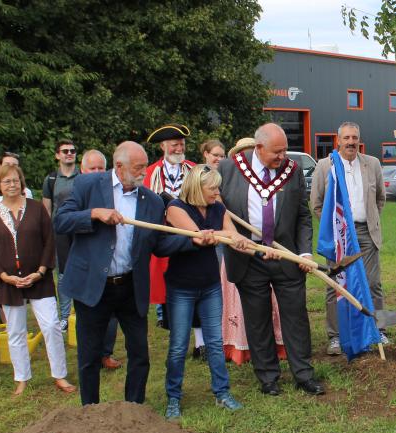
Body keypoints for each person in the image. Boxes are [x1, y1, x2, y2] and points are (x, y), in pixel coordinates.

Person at [53, 141, 204, 405]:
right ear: (119, 166)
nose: (144, 172)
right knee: (89, 356)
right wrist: (95, 214)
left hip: (131, 286)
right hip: (94, 285)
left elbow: (159, 245)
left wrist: (192, 240)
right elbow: (61, 221)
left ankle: (134, 410)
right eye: (138, 167)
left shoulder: (152, 201)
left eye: (145, 166)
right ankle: (90, 412)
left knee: (139, 354)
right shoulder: (88, 185)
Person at [218, 123, 325, 396]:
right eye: (277, 152)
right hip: (248, 256)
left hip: (285, 256)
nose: (282, 157)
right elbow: (215, 208)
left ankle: (303, 374)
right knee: (257, 319)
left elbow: (302, 216)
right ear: (259, 147)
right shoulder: (229, 169)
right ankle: (268, 377)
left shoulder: (292, 170)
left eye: (284, 151)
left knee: (296, 316)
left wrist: (304, 252)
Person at [0, 165, 75, 395]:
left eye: (15, 180)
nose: (12, 185)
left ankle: (60, 375)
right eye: (6, 181)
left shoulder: (36, 209)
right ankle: (21, 378)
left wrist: (41, 271)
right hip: (8, 283)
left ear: (21, 182)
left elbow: (49, 241)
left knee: (51, 326)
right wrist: (4, 276)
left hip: (39, 279)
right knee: (15, 331)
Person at [163, 165, 249, 418]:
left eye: (217, 187)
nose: (217, 192)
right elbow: (199, 237)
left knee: (214, 342)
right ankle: (173, 398)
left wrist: (240, 240)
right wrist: (225, 235)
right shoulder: (176, 208)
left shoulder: (218, 208)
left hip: (210, 285)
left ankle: (222, 393)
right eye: (212, 188)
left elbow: (233, 236)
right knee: (178, 345)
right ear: (196, 188)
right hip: (182, 287)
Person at [310, 122, 388, 354]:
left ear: (359, 140)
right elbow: (316, 204)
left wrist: (370, 219)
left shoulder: (372, 164)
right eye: (346, 138)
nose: (351, 142)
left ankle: (378, 330)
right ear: (338, 141)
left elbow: (380, 198)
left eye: (354, 137)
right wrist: (335, 228)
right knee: (336, 285)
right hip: (339, 237)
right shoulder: (325, 166)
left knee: (372, 283)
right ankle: (336, 337)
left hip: (366, 233)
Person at [143, 123, 195, 338]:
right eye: (174, 145)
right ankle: (170, 323)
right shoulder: (150, 172)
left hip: (190, 234)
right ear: (163, 146)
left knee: (192, 281)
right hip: (162, 237)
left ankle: (198, 336)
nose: (179, 149)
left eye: (182, 144)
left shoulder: (194, 170)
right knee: (164, 282)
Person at [77, 149, 122, 369]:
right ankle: (91, 356)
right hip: (85, 267)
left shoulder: (112, 193)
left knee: (111, 315)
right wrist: (93, 213)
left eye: (100, 168)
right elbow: (63, 223)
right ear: (82, 170)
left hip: (111, 268)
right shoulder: (77, 191)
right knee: (89, 316)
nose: (96, 172)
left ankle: (106, 353)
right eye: (91, 168)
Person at [42, 140, 79, 331]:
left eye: (72, 150)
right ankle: (64, 316)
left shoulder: (83, 175)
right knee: (63, 275)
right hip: (61, 233)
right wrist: (46, 235)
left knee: (83, 271)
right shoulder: (51, 179)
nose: (69, 153)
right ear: (57, 155)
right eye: (65, 151)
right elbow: (46, 209)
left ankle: (82, 313)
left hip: (81, 230)